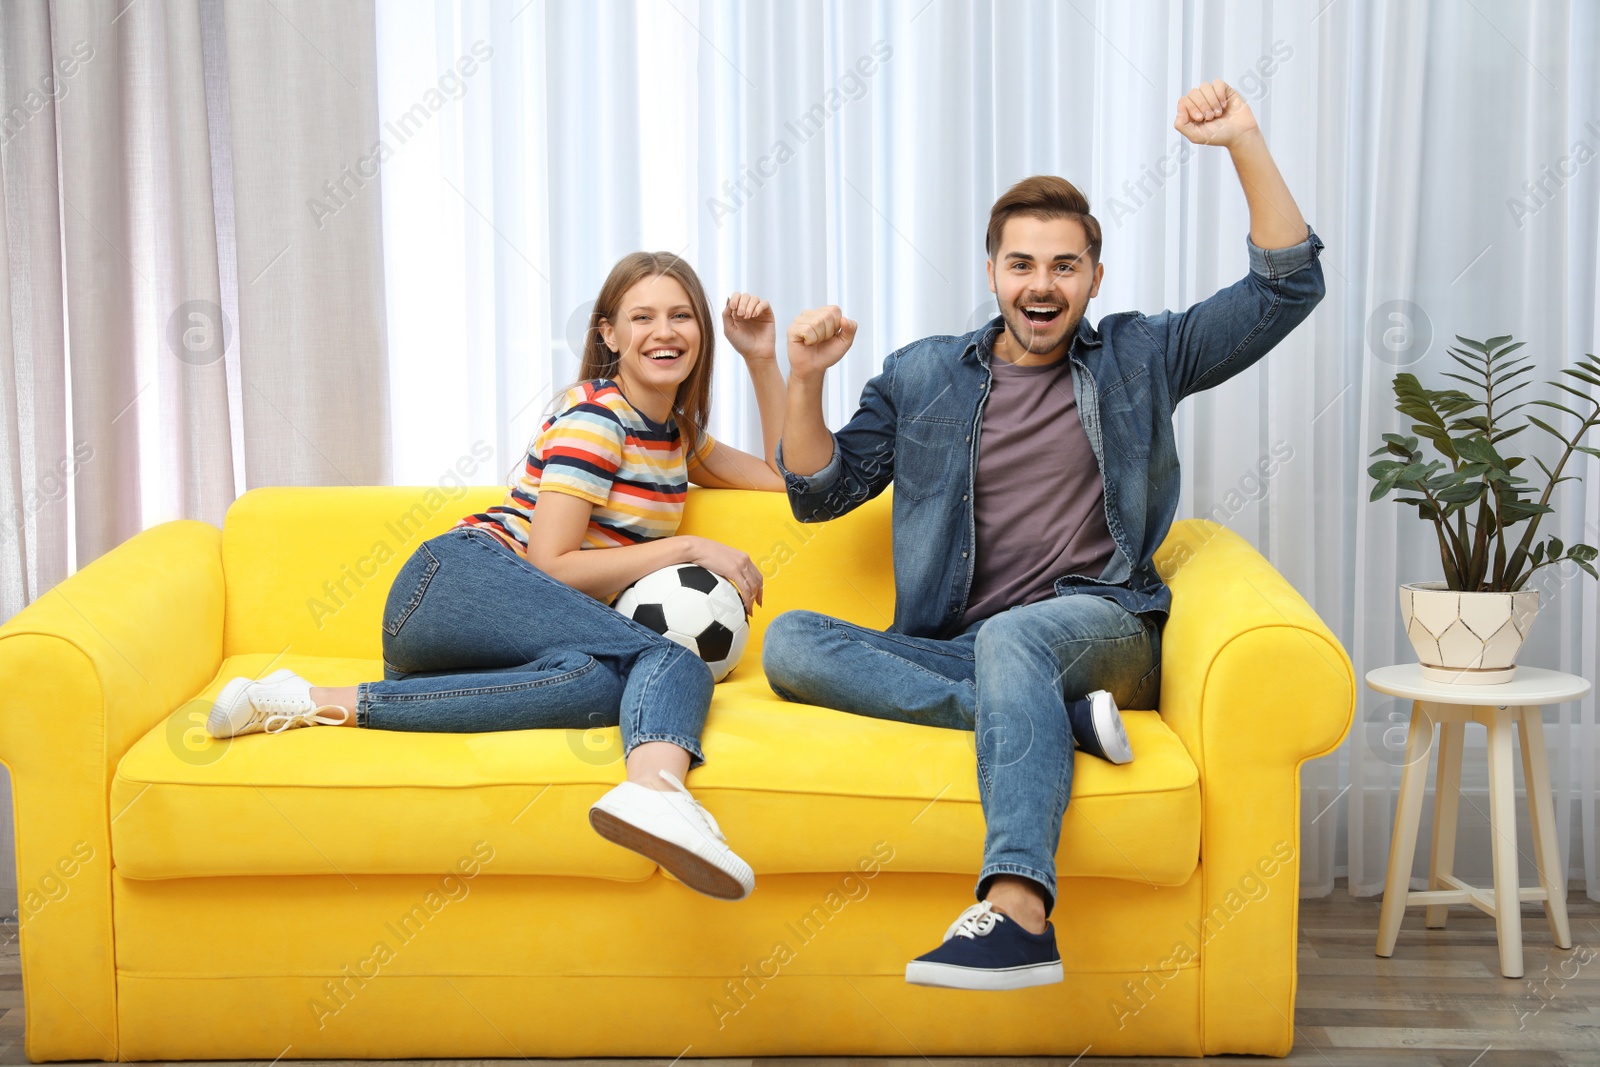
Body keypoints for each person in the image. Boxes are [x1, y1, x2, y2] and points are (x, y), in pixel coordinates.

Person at [762, 79, 1326, 987]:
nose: (1042, 284)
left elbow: (1285, 286)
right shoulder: (923, 375)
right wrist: (801, 378)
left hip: (1102, 628)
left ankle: (1020, 908)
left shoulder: (1144, 355)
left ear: (1094, 279)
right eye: (1022, 264)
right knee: (791, 641)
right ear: (992, 273)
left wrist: (1243, 141)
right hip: (966, 648)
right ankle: (1054, 723)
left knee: (1023, 634)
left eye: (1064, 266)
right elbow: (818, 495)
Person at [206, 251, 789, 902]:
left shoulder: (677, 437)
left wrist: (760, 359)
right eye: (642, 316)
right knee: (670, 657)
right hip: (457, 580)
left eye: (682, 316)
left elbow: (782, 478)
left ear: (702, 333)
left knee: (598, 684)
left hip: (477, 640)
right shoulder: (597, 418)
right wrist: (686, 546)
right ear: (609, 336)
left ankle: (300, 699)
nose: (665, 331)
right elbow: (551, 564)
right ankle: (655, 790)